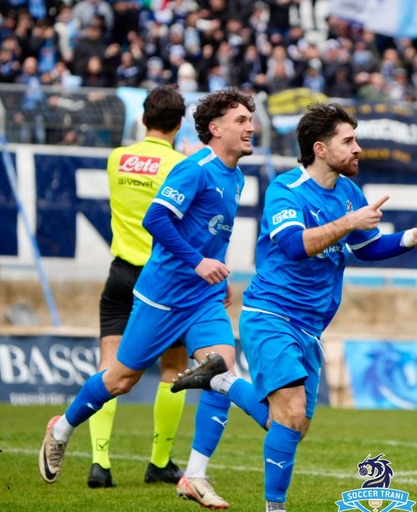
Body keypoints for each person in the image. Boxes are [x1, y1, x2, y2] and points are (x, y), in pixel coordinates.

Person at [171, 102, 417, 511]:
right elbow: (294, 244)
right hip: (271, 314)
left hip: (311, 326)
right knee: (288, 413)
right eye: (349, 141)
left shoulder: (348, 192)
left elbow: (366, 246)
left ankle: (220, 381)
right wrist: (348, 223)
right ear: (321, 149)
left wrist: (412, 236)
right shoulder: (285, 190)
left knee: (290, 425)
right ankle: (275, 508)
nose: (357, 148)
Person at [39, 88, 267, 510]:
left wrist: (216, 273)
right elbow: (155, 218)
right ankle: (61, 428)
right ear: (215, 129)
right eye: (241, 120)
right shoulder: (193, 168)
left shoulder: (235, 175)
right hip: (161, 297)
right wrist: (199, 262)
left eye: (249, 120)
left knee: (220, 368)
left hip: (202, 299)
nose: (250, 126)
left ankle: (194, 476)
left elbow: (212, 229)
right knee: (120, 380)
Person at [87, 84, 189, 489]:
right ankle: (159, 462)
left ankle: (99, 463)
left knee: (109, 366)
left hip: (120, 274)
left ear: (143, 119)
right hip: (162, 280)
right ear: (180, 124)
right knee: (174, 370)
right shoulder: (181, 165)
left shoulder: (117, 159)